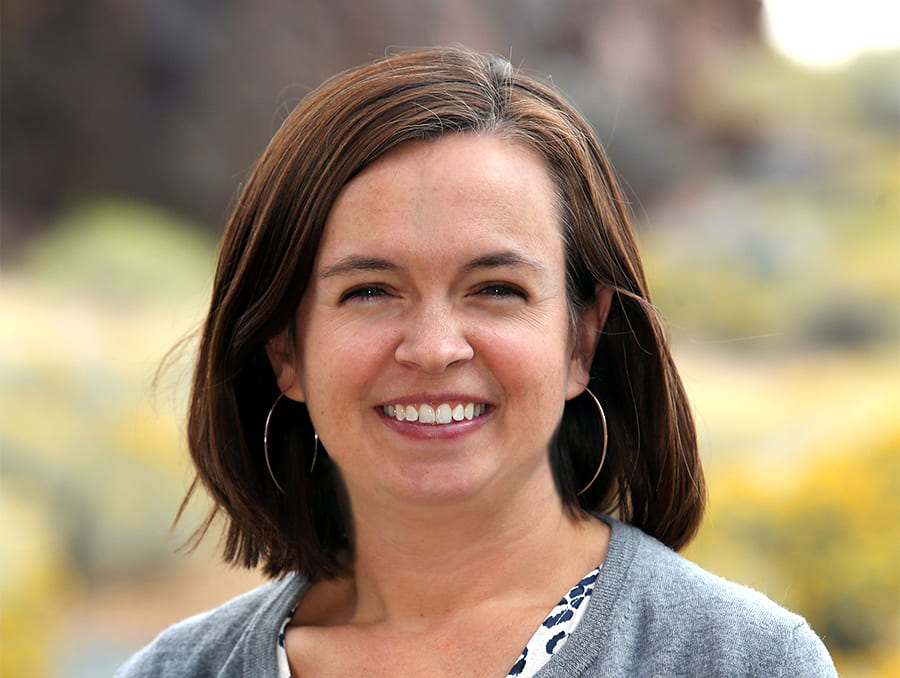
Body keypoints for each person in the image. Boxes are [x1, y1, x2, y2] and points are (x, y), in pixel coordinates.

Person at [116, 46, 836, 677]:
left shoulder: (741, 662)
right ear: (285, 350)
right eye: (370, 291)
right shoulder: (176, 671)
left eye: (496, 289)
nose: (433, 349)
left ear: (581, 342)